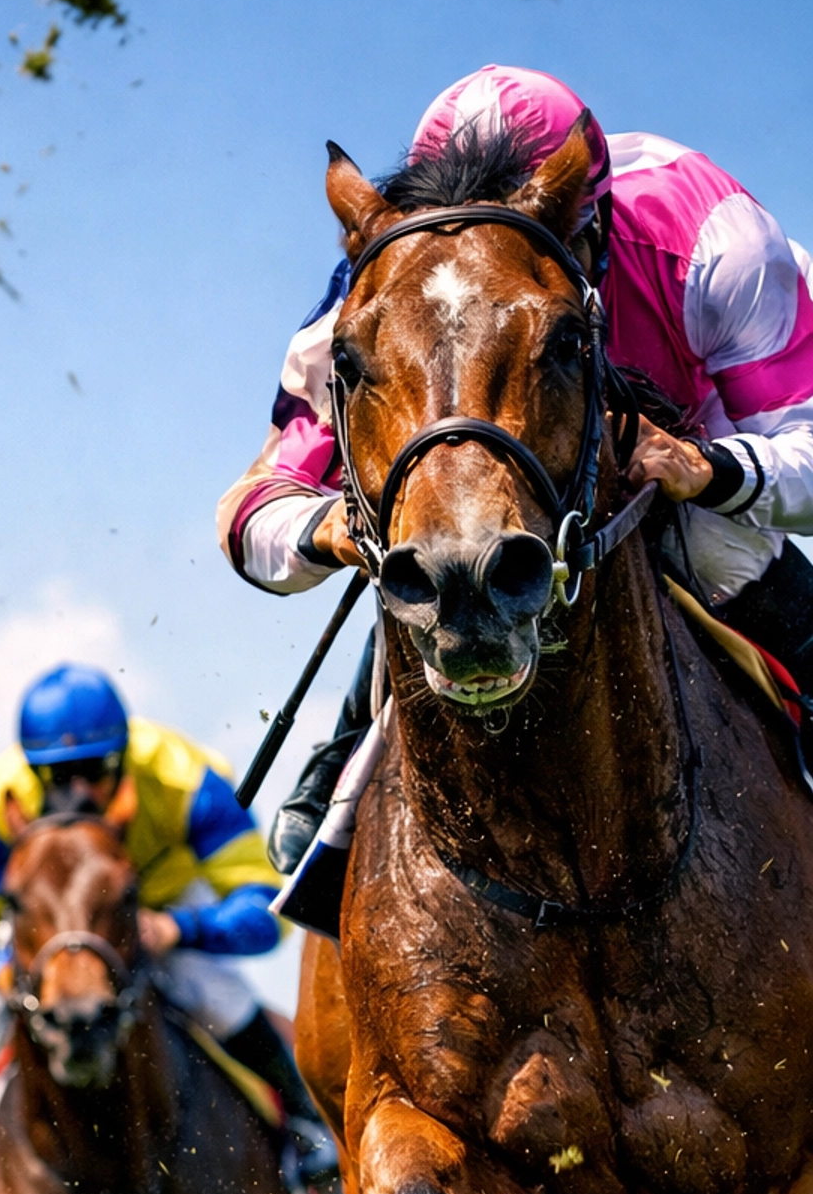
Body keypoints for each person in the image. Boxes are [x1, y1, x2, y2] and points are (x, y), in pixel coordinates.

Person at [219, 63, 813, 894]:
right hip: (496, 494)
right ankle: (346, 755)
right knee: (424, 529)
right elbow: (249, 515)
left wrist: (708, 466)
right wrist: (330, 529)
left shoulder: (718, 240)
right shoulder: (382, 281)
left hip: (700, 419)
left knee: (721, 544)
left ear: (589, 221)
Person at [0, 661, 320, 1138]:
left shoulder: (185, 781)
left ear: (124, 755)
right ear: (32, 769)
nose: (77, 791)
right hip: (51, 920)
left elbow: (270, 909)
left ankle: (307, 1122)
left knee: (215, 992)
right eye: (55, 775)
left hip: (166, 902)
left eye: (93, 770)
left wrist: (180, 928)